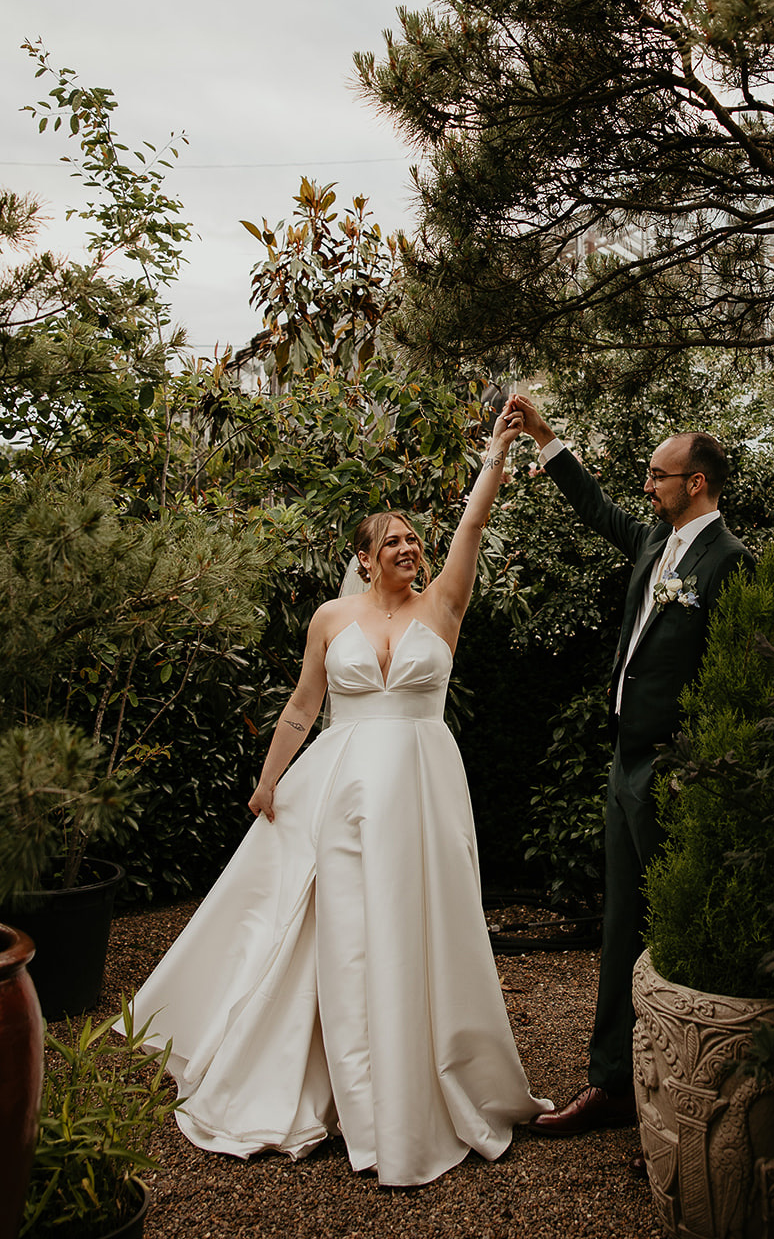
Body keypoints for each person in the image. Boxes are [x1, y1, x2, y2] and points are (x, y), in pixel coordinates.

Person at [122, 408, 550, 1188]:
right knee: (348, 931)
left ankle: (429, 1073)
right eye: (391, 539)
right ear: (361, 558)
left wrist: (494, 456)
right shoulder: (331, 618)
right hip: (344, 788)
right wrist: (267, 779)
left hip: (423, 789)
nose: (408, 547)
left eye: (413, 538)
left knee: (422, 923)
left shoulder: (443, 606)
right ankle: (354, 1088)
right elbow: (300, 705)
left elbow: (474, 529)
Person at [505, 393, 754, 1146]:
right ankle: (610, 1082)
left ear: (697, 484)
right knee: (619, 924)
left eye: (658, 475)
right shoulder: (656, 540)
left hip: (673, 769)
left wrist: (692, 770)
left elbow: (734, 680)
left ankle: (700, 1090)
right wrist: (547, 438)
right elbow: (594, 508)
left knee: (681, 925)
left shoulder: (730, 563)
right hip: (624, 762)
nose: (646, 486)